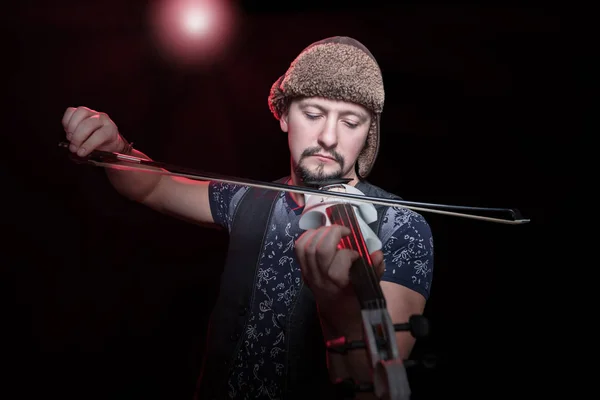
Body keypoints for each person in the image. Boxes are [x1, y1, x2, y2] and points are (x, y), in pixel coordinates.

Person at [61, 36, 434, 400]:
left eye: (351, 122)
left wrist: (340, 306)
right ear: (285, 114)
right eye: (313, 113)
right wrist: (116, 149)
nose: (328, 137)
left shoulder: (400, 225)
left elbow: (377, 383)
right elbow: (152, 187)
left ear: (369, 134)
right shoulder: (249, 198)